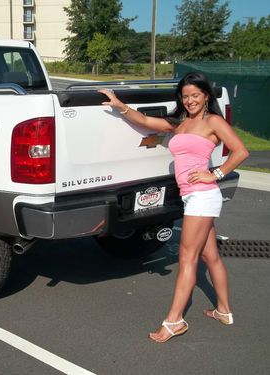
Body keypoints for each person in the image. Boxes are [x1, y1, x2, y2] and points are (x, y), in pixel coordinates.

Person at [99, 72, 249, 343]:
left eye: (195, 95)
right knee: (209, 256)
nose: (190, 100)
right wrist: (119, 105)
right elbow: (144, 121)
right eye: (185, 96)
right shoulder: (180, 124)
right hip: (194, 197)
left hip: (203, 195)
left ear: (205, 96)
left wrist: (215, 173)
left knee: (187, 257)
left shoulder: (213, 121)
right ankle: (224, 311)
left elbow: (240, 151)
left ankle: (174, 321)